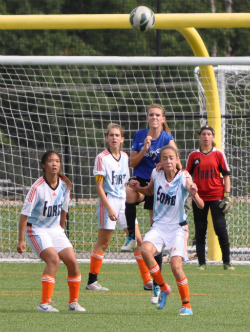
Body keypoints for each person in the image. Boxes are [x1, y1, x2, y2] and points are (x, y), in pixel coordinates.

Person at [130, 145, 204, 315]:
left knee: (175, 266)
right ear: (160, 161)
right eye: (165, 158)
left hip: (178, 228)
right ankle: (164, 287)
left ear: (177, 159)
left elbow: (200, 205)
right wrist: (138, 188)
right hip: (159, 226)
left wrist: (194, 194)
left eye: (171, 157)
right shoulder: (156, 173)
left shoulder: (184, 176)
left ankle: (186, 305)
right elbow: (150, 190)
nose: (168, 161)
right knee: (145, 251)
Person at [121, 103, 180, 302]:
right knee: (129, 191)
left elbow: (177, 163)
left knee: (156, 232)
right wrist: (145, 149)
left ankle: (157, 286)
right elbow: (132, 163)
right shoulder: (140, 136)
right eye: (151, 115)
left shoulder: (167, 138)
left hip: (157, 184)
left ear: (163, 119)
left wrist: (165, 164)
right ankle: (130, 235)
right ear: (147, 118)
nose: (154, 117)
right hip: (141, 182)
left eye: (158, 115)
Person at [17, 150, 85, 312]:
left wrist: (60, 230)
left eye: (57, 161)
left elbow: (63, 209)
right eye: (50, 161)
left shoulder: (65, 185)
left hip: (55, 230)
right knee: (53, 260)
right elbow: (24, 215)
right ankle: (44, 303)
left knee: (73, 262)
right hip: (37, 229)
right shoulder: (37, 187)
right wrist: (20, 240)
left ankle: (73, 303)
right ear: (43, 165)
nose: (54, 164)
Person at [86, 123, 131, 290]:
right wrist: (110, 208)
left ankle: (148, 280)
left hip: (123, 201)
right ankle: (92, 281)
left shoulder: (125, 157)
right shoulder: (102, 158)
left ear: (122, 139)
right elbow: (99, 187)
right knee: (103, 243)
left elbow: (125, 183)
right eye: (111, 135)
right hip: (108, 201)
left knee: (137, 238)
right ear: (107, 138)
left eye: (117, 135)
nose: (114, 138)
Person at [186, 125, 234, 270]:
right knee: (200, 229)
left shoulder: (218, 154)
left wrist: (227, 196)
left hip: (216, 196)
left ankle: (227, 262)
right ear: (199, 136)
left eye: (209, 134)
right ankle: (201, 263)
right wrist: (188, 196)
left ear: (213, 137)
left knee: (221, 229)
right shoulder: (193, 155)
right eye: (203, 134)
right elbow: (187, 176)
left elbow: (226, 175)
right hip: (199, 197)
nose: (206, 137)